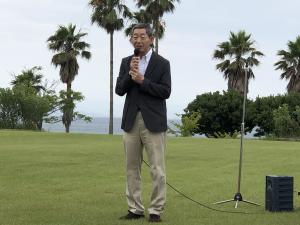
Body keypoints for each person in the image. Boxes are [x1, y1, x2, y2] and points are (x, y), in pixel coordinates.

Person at [115, 23, 171, 223]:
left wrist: (142, 80)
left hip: (153, 122)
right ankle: (135, 209)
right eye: (134, 36)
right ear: (131, 40)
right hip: (131, 121)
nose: (137, 39)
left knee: (157, 168)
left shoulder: (162, 63)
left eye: (142, 36)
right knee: (131, 168)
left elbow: (166, 91)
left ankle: (155, 210)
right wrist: (131, 76)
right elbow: (119, 90)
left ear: (151, 39)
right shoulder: (126, 62)